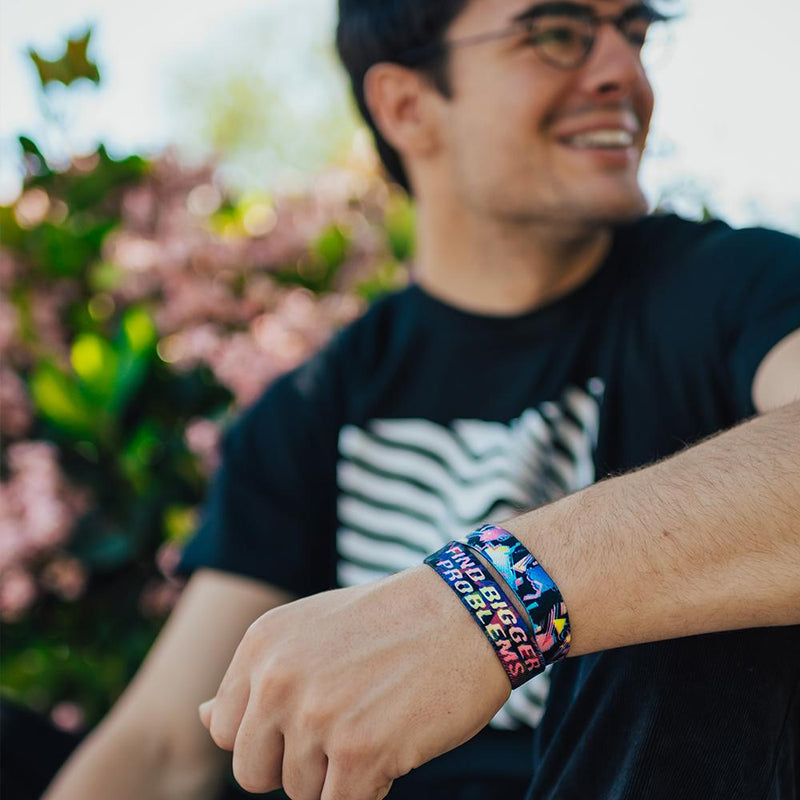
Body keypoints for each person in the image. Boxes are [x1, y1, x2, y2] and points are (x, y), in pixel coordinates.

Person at [44, 0, 800, 799]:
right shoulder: (316, 402)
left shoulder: (737, 287)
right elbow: (167, 744)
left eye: (636, 34)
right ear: (407, 107)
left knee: (703, 602)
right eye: (557, 34)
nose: (626, 75)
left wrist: (487, 603)